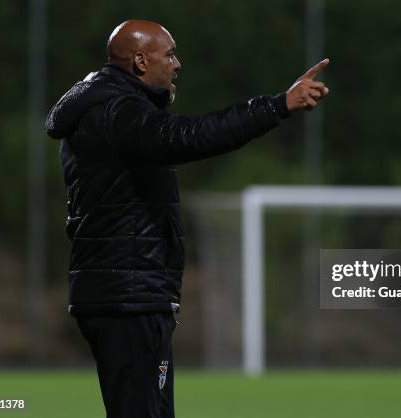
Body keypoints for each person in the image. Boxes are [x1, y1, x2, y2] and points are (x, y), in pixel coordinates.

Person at [44, 19, 329, 418]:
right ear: (141, 62)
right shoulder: (118, 112)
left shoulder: (101, 106)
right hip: (128, 296)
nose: (177, 64)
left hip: (123, 291)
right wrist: (278, 105)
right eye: (170, 54)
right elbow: (190, 136)